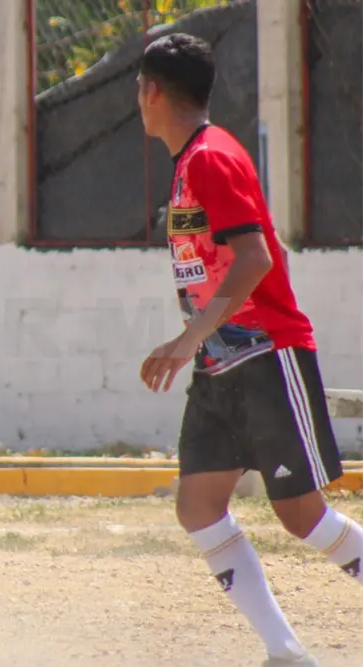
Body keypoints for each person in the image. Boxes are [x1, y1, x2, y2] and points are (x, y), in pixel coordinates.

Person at [137, 33, 363, 667]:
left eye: (139, 88)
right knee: (199, 507)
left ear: (152, 91)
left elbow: (256, 258)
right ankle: (285, 651)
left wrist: (189, 337)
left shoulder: (211, 157)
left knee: (304, 519)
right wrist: (199, 345)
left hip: (267, 356)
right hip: (219, 369)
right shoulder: (189, 162)